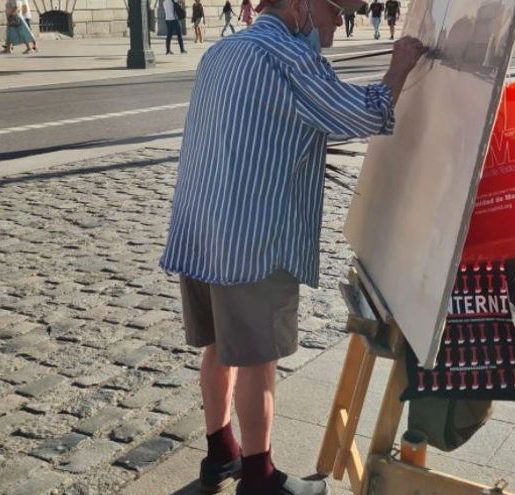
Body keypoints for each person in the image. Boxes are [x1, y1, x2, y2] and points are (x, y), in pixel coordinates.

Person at [158, 0, 426, 493]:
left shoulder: (222, 51)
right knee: (258, 360)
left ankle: (220, 454)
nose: (338, 25)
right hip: (254, 238)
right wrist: (399, 67)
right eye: (334, 13)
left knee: (218, 347)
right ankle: (260, 479)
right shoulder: (289, 55)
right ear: (301, 7)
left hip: (201, 229)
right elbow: (361, 114)